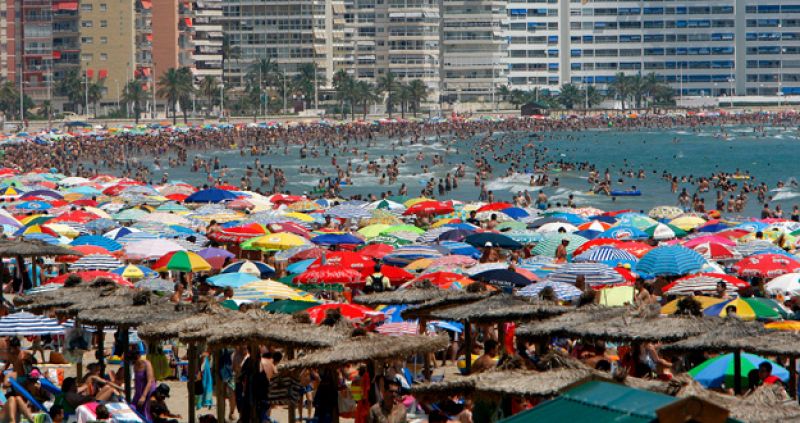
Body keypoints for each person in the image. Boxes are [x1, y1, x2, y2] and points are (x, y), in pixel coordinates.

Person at [130, 349, 156, 418]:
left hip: (148, 390)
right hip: (139, 390)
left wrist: (143, 396)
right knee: (133, 408)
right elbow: (136, 380)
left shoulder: (147, 364)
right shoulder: (135, 365)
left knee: (146, 412)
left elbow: (150, 381)